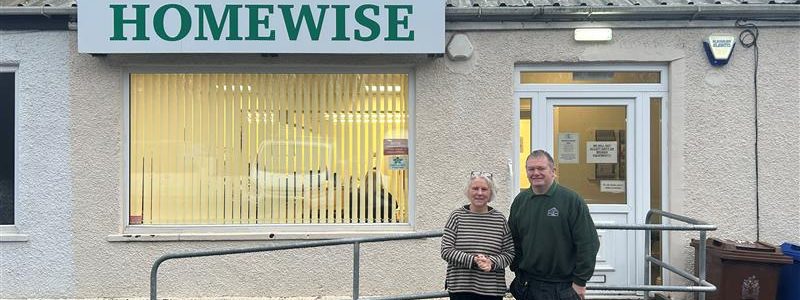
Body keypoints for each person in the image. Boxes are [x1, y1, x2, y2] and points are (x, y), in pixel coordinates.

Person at [509, 150, 600, 300]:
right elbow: (513, 241)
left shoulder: (571, 200)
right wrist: (518, 271)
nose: (535, 173)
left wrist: (580, 281)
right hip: (528, 284)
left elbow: (588, 243)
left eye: (541, 168)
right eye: (531, 169)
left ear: (553, 171)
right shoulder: (520, 201)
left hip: (563, 287)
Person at [441, 171, 515, 300]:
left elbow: (509, 253)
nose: (479, 193)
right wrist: (474, 260)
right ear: (468, 191)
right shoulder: (457, 217)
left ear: (491, 192)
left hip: (491, 289)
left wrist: (492, 262)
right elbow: (446, 251)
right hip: (460, 288)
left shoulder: (499, 219)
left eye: (484, 189)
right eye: (475, 188)